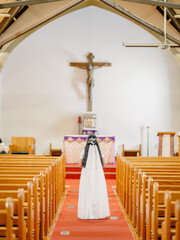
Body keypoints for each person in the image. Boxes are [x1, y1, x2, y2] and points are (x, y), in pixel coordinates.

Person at [77, 135, 110, 219]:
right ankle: (97, 212)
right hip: (98, 174)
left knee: (87, 191)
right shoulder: (100, 151)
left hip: (86, 174)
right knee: (97, 190)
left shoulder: (83, 151)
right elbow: (104, 165)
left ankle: (87, 212)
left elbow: (80, 165)